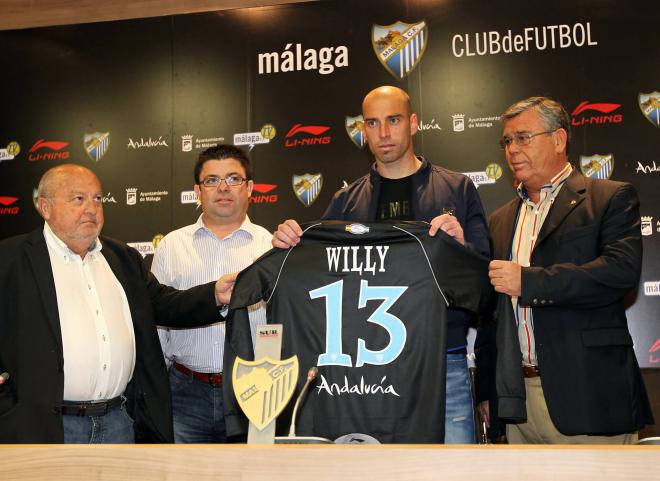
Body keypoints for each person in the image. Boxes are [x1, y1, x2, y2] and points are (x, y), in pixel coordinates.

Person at [272, 85, 491, 443]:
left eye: (393, 120)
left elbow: (485, 288)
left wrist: (462, 248)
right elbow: (316, 275)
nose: (384, 133)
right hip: (365, 372)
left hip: (441, 364)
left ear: (414, 123)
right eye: (372, 123)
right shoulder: (345, 201)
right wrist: (288, 247)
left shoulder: (458, 189)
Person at [0, 164, 235, 444]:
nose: (91, 208)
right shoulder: (9, 260)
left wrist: (215, 295)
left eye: (98, 199)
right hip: (46, 428)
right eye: (79, 199)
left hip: (118, 422)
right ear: (45, 207)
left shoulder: (122, 258)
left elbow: (163, 304)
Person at [486, 96, 653, 444]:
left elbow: (620, 271)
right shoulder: (500, 220)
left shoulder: (609, 198)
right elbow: (492, 313)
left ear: (559, 140)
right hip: (517, 403)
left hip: (589, 395)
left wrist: (528, 281)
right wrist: (489, 392)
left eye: (523, 137)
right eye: (507, 141)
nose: (512, 149)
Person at [152, 144, 272, 443]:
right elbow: (158, 319)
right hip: (185, 393)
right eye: (211, 180)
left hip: (254, 390)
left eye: (233, 179)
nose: (223, 188)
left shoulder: (270, 247)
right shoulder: (171, 245)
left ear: (250, 187)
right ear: (197, 190)